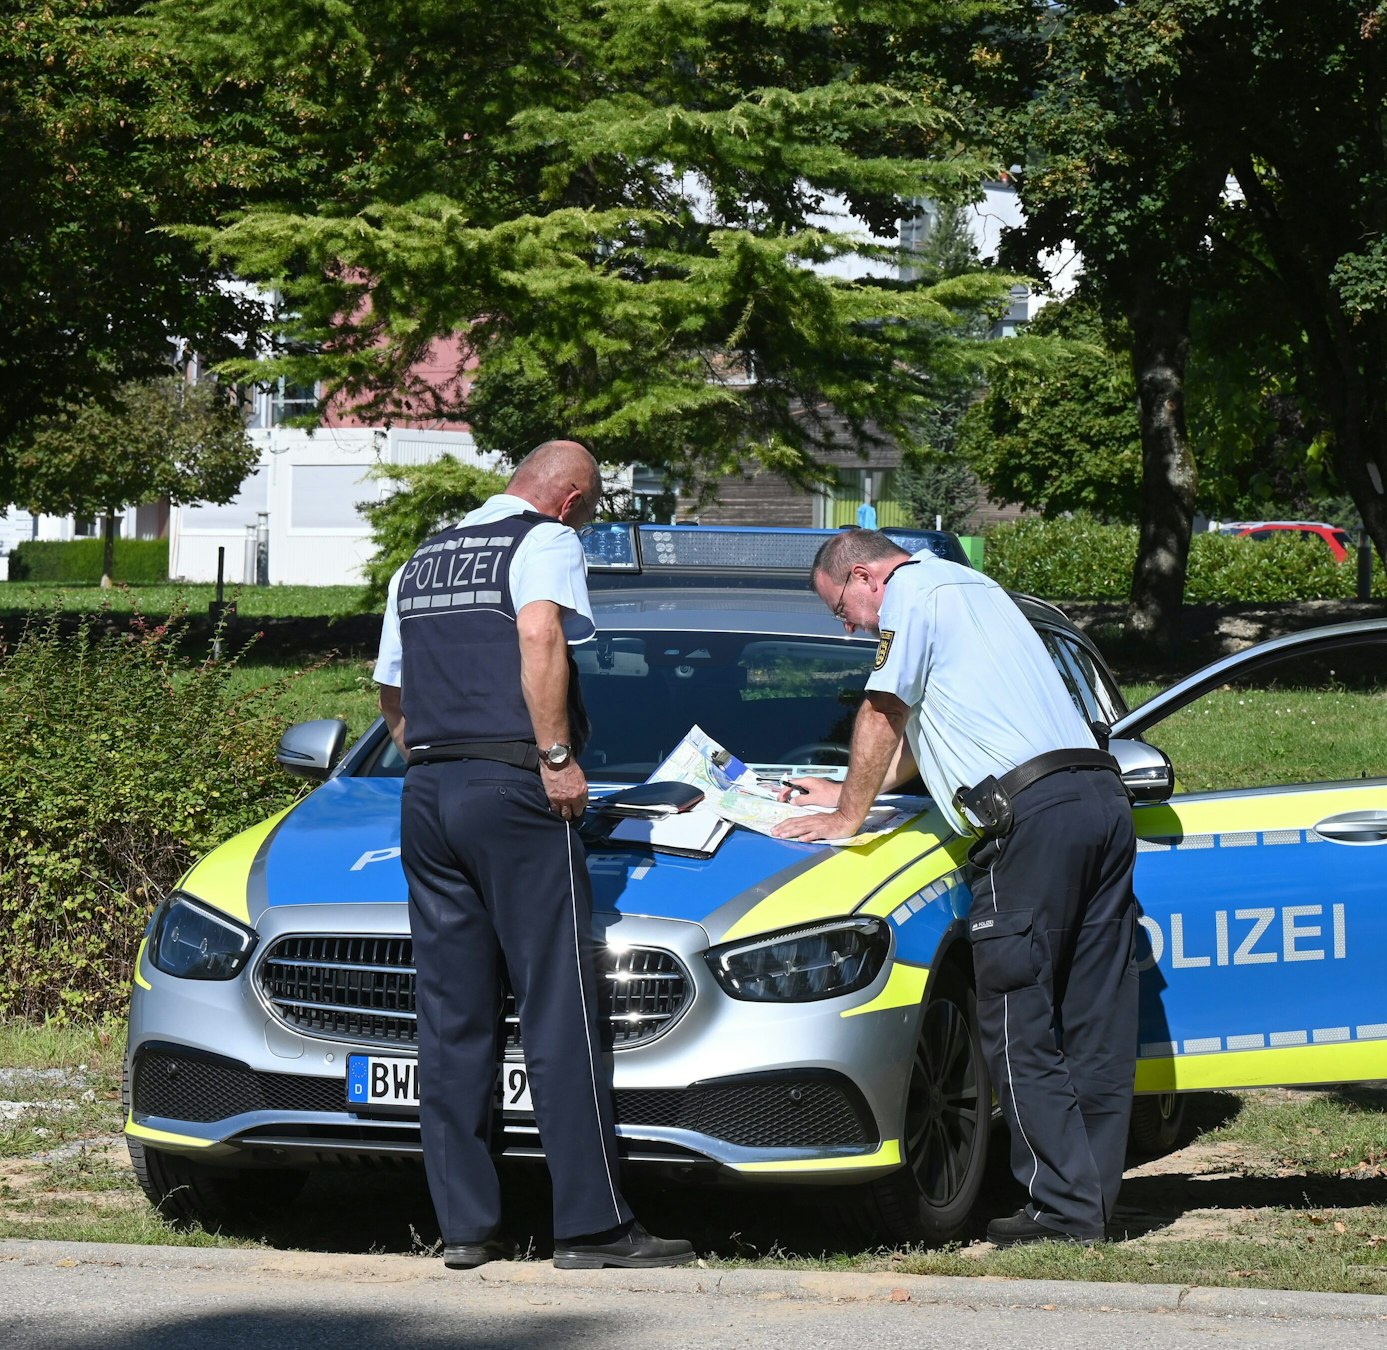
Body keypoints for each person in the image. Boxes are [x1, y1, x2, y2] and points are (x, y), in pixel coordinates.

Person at [373, 440, 693, 1271]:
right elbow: (539, 634)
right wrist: (555, 759)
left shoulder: (424, 559)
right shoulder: (542, 541)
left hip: (429, 791)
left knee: (452, 1014)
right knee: (556, 1005)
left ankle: (466, 1227)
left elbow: (390, 688)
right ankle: (593, 1227)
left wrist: (436, 761)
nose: (583, 523)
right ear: (569, 498)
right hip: (512, 785)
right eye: (587, 511)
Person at [772, 528, 1140, 1245]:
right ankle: (1090, 1204)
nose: (847, 625)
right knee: (1094, 1017)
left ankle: (1059, 1212)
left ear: (865, 575)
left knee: (1019, 1013)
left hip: (1029, 823)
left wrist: (846, 817)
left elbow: (883, 710)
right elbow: (924, 725)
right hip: (1097, 800)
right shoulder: (976, 590)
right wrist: (847, 787)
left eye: (840, 608)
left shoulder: (911, 594)